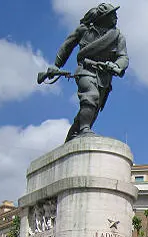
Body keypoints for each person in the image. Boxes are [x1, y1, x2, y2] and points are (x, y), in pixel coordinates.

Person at [44, 3, 129, 142]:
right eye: (112, 14)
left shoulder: (117, 36)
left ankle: (75, 134)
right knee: (91, 97)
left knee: (93, 109)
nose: (116, 17)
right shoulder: (84, 30)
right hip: (85, 70)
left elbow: (123, 56)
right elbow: (67, 46)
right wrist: (56, 66)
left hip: (104, 76)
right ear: (104, 17)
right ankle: (84, 130)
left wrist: (116, 65)